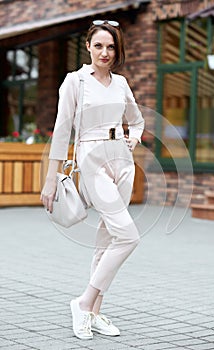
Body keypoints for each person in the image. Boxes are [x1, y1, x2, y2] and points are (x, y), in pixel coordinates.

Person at [40, 19, 144, 340]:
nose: (105, 52)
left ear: (117, 50)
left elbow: (137, 120)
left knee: (109, 238)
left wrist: (134, 139)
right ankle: (84, 303)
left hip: (122, 162)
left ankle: (95, 313)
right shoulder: (75, 81)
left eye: (111, 47)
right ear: (87, 46)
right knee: (129, 236)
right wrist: (51, 177)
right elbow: (61, 130)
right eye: (98, 45)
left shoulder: (121, 83)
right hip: (91, 157)